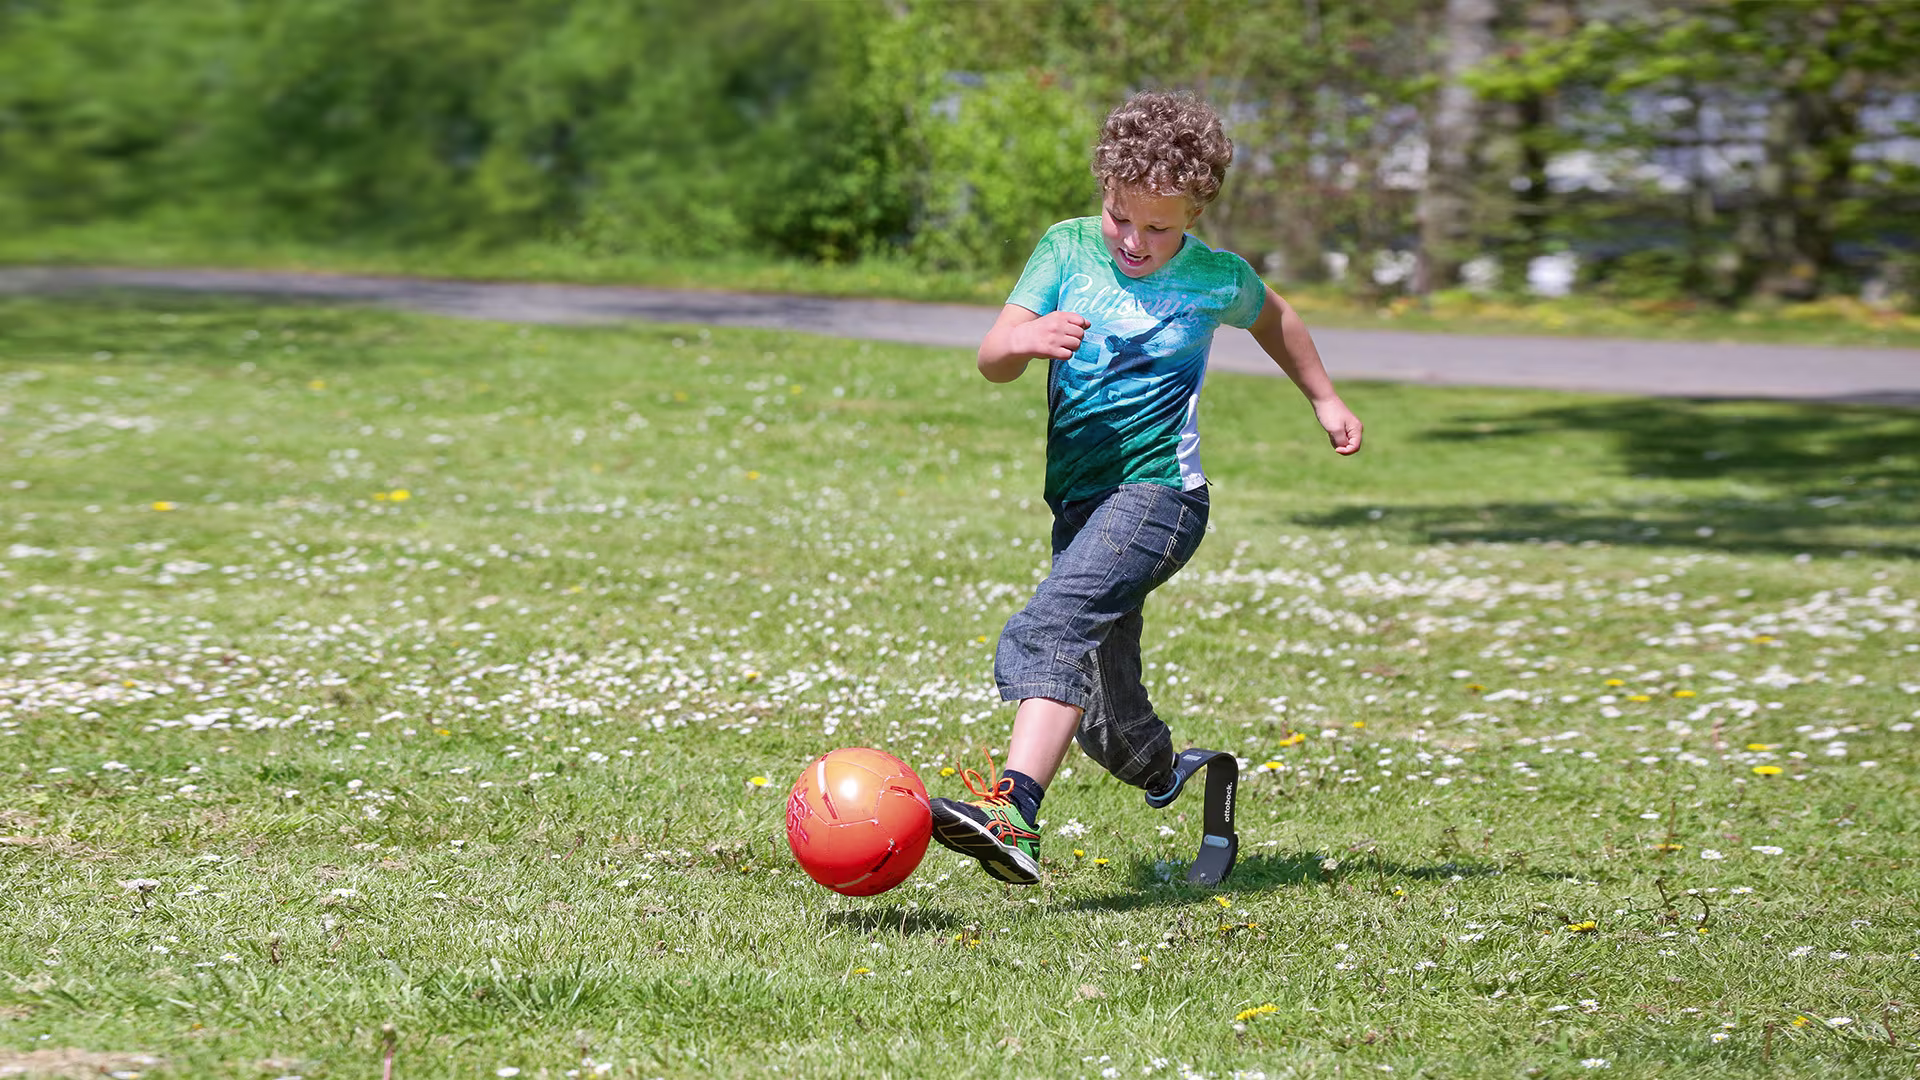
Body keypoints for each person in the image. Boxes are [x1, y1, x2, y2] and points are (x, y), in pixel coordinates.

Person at [928, 89, 1364, 885]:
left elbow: (1278, 320)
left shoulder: (1213, 278)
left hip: (1161, 498)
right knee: (1103, 716)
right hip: (1082, 505)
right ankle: (1172, 769)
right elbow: (993, 355)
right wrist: (1025, 338)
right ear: (1105, 189)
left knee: (1048, 630)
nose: (1134, 239)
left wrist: (1324, 396)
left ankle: (1014, 815)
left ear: (1197, 213)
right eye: (1121, 217)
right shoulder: (1064, 250)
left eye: (1159, 227)